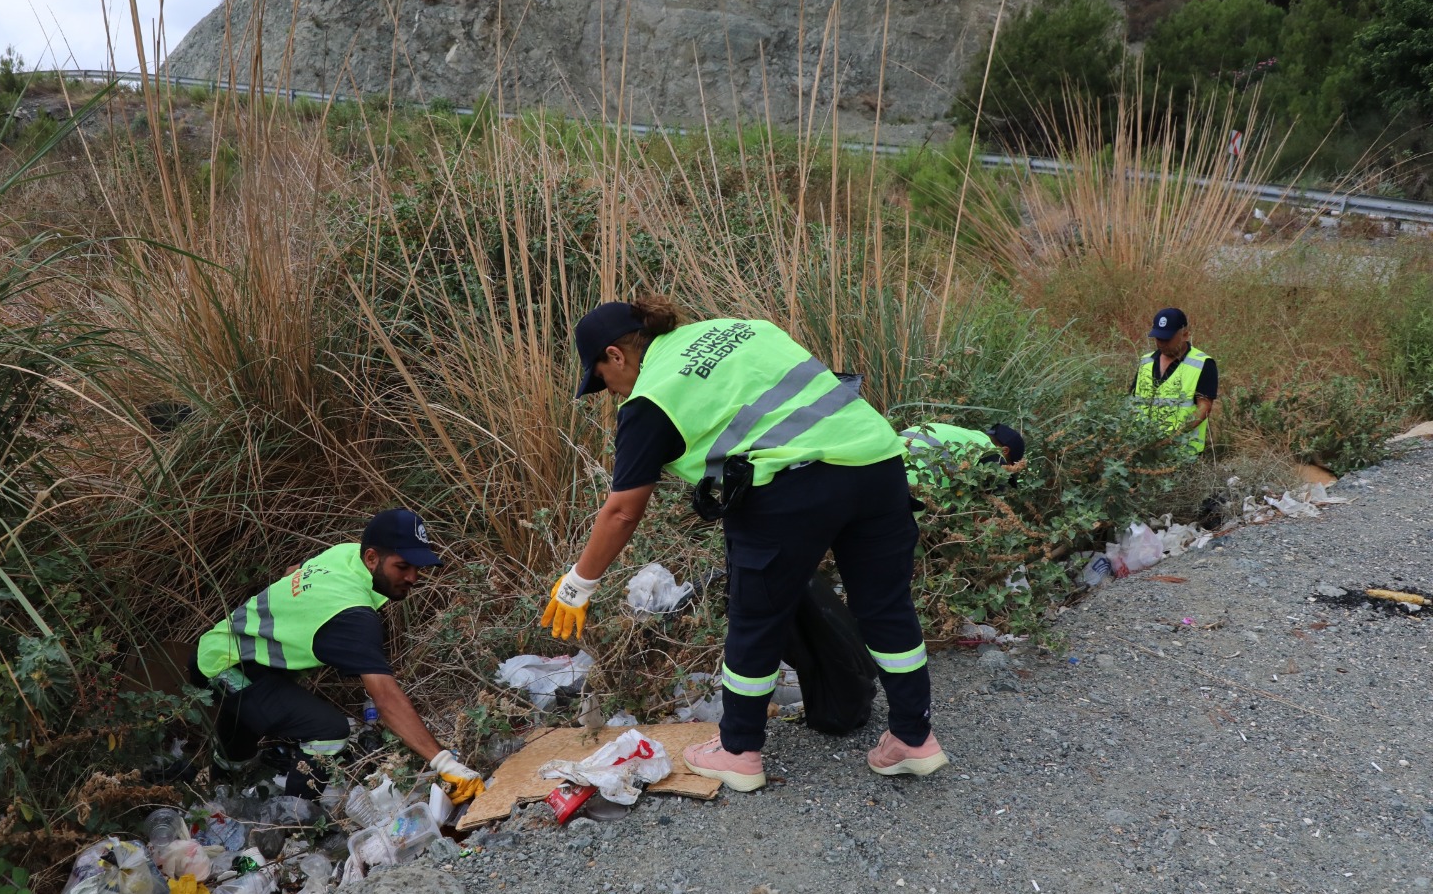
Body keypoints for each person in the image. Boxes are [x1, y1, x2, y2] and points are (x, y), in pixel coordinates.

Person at [540, 297, 951, 792]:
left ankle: (738, 752)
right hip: (877, 460)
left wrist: (578, 583)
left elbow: (623, 510)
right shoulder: (739, 328)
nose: (607, 390)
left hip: (791, 489)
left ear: (617, 354)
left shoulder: (651, 399)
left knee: (756, 619)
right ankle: (913, 738)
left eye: (601, 376)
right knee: (886, 607)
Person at [192, 509, 486, 803]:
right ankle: (294, 824)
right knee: (329, 733)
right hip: (222, 665)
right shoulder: (352, 615)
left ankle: (224, 779)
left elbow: (292, 571)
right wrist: (446, 764)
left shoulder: (346, 555)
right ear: (372, 558)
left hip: (235, 649)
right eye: (403, 566)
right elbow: (385, 698)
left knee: (247, 728)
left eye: (418, 566)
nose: (413, 577)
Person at [1130, 307, 1217, 455]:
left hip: (1183, 453)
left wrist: (1173, 437)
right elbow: (1132, 401)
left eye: (1167, 339)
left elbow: (1204, 407)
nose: (1162, 343)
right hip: (1142, 450)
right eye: (1158, 338)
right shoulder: (1146, 361)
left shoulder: (1203, 363)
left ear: (1185, 335)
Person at [898, 421, 1026, 493]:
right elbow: (981, 519)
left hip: (885, 462)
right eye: (1008, 466)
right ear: (1005, 451)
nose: (1004, 472)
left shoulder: (964, 435)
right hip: (910, 486)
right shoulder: (993, 455)